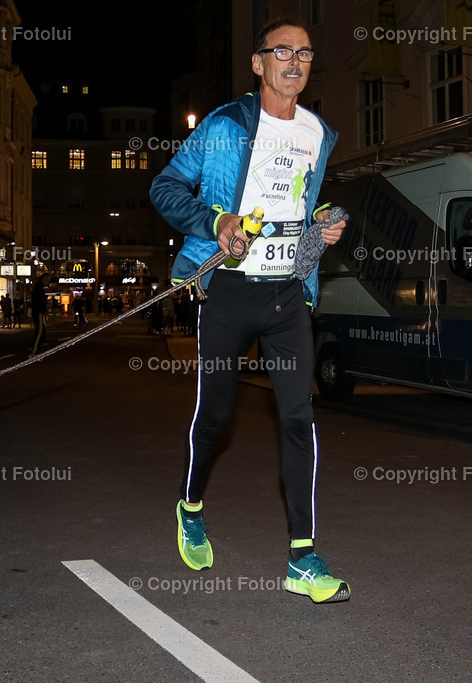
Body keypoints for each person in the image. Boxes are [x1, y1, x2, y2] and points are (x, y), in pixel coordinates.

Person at [150, 17, 349, 604]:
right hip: (231, 292)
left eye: (305, 52)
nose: (295, 60)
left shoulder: (317, 133)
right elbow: (165, 188)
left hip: (289, 294)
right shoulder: (224, 126)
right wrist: (218, 224)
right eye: (281, 51)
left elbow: (302, 210)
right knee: (215, 415)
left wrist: (322, 226)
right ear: (258, 64)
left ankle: (303, 559)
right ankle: (190, 506)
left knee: (297, 418)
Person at [29, 275, 48, 356]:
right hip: (38, 311)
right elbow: (39, 301)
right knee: (40, 331)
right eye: (47, 279)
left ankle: (35, 349)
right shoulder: (39, 289)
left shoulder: (38, 288)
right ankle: (34, 352)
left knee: (41, 331)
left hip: (39, 311)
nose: (48, 281)